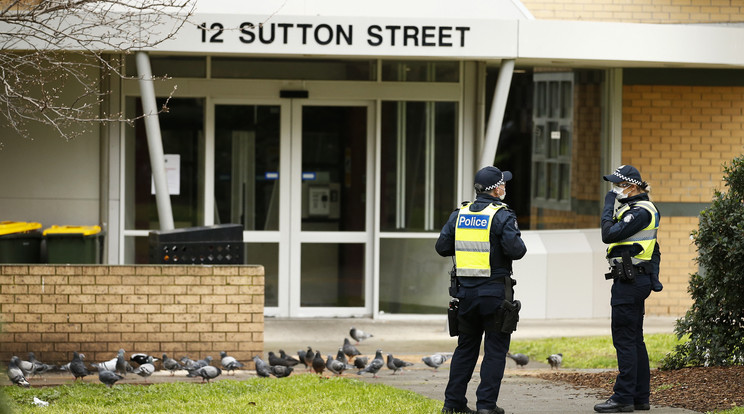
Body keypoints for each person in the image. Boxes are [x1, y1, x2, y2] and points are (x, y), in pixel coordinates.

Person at [435, 166, 527, 414]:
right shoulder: (502, 215)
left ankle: (452, 403)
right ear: (497, 189)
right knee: (495, 351)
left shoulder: (460, 214)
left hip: (464, 295)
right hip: (494, 296)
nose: (505, 187)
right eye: (503, 184)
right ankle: (486, 406)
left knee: (466, 348)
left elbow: (442, 247)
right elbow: (517, 251)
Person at [594, 165, 662, 413]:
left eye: (617, 185)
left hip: (630, 283)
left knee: (624, 339)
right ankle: (639, 398)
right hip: (635, 280)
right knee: (634, 340)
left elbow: (608, 234)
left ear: (631, 186)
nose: (614, 189)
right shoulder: (639, 209)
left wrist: (608, 203)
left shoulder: (640, 212)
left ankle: (623, 397)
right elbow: (654, 249)